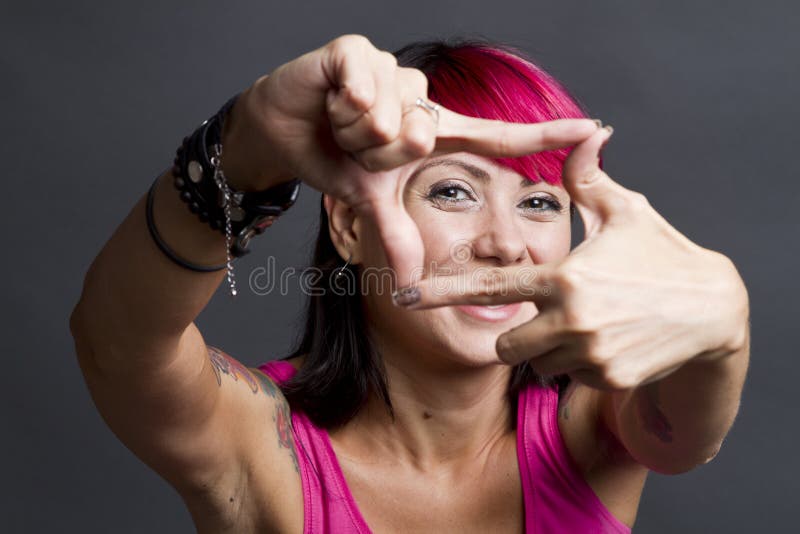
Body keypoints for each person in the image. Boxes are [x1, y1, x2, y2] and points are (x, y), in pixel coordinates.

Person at [69, 34, 750, 533]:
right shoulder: (260, 440)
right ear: (350, 224)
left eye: (540, 203)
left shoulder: (598, 425)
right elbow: (117, 344)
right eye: (454, 191)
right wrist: (244, 144)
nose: (507, 243)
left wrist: (726, 318)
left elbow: (688, 431)